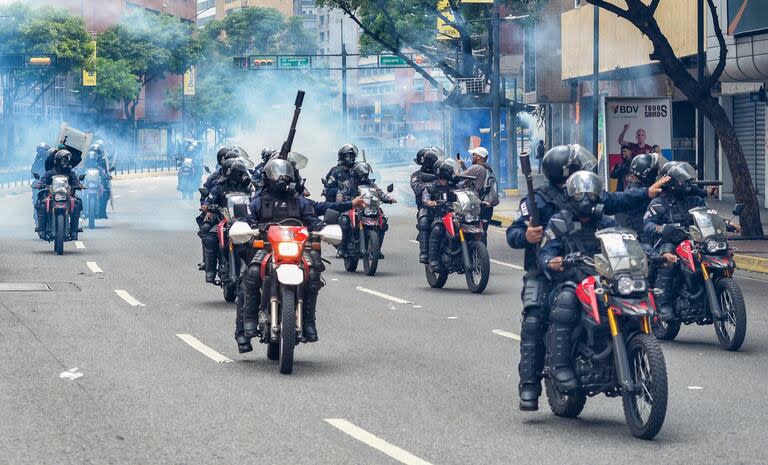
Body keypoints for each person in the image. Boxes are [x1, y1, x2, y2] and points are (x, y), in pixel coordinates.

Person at [505, 144, 668, 412]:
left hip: (591, 269)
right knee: (536, 318)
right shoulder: (541, 201)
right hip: (546, 270)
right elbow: (515, 233)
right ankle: (531, 384)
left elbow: (618, 206)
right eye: (577, 165)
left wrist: (646, 197)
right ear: (564, 172)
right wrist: (526, 236)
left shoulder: (590, 197)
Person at [538, 171, 618, 393]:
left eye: (591, 195)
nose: (586, 199)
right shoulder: (558, 222)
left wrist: (650, 253)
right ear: (570, 195)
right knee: (566, 299)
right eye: (581, 194)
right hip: (570, 281)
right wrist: (551, 261)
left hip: (604, 281)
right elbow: (546, 251)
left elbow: (627, 242)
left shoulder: (606, 222)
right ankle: (560, 365)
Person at [239, 158, 324, 352]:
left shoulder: (300, 201)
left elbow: (312, 220)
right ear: (268, 178)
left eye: (285, 174)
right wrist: (248, 228)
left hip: (297, 249)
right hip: (268, 248)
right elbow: (247, 219)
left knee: (312, 274)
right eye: (277, 174)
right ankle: (250, 319)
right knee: (252, 272)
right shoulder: (259, 202)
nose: (282, 178)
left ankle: (309, 321)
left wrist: (322, 229)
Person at [642, 162, 739, 322]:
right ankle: (664, 304)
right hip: (669, 241)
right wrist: (661, 229)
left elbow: (709, 215)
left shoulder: (695, 199)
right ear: (671, 182)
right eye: (682, 181)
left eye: (687, 180)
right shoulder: (659, 202)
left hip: (695, 238)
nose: (686, 184)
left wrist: (726, 224)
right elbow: (647, 224)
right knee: (669, 261)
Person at [200, 158, 253, 284]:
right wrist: (207, 206)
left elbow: (255, 197)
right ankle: (211, 271)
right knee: (210, 238)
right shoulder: (220, 186)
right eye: (239, 173)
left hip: (243, 220)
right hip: (225, 219)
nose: (241, 175)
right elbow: (210, 198)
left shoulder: (247, 186)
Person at [336, 161, 396, 258]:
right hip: (352, 207)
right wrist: (342, 200)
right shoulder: (348, 183)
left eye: (365, 174)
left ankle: (377, 249)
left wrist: (387, 198)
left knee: (383, 222)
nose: (364, 176)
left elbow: (379, 192)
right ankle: (341, 248)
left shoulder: (371, 183)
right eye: (362, 174)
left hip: (368, 207)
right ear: (355, 173)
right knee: (344, 221)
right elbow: (340, 194)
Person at [34, 150, 83, 241]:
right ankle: (42, 230)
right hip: (52, 195)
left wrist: (79, 185)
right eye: (63, 160)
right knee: (41, 205)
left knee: (77, 204)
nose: (65, 162)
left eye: (66, 160)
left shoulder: (70, 173)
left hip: (67, 195)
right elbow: (44, 179)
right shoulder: (51, 172)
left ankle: (74, 231)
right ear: (57, 161)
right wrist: (40, 184)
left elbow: (75, 180)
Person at [424, 158, 463, 272]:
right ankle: (434, 259)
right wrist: (430, 202)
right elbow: (425, 198)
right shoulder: (431, 187)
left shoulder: (456, 186)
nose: (454, 174)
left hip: (457, 216)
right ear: (445, 173)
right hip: (440, 216)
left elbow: (467, 193)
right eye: (452, 171)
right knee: (437, 230)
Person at [411, 147, 441, 263]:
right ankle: (424, 252)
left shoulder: (440, 173)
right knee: (423, 220)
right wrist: (433, 184)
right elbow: (417, 189)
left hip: (443, 205)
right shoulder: (416, 175)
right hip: (426, 206)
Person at [460, 147, 499, 237]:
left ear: (479, 157)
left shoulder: (476, 168)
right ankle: (482, 250)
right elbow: (470, 176)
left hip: (479, 206)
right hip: (488, 206)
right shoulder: (487, 168)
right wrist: (462, 164)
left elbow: (460, 177)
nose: (472, 157)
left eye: (474, 155)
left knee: (474, 233)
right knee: (482, 233)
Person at [83, 143, 112, 219]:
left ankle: (102, 211)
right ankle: (82, 211)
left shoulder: (99, 166)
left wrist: (106, 176)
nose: (91, 161)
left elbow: (103, 172)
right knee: (80, 194)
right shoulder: (84, 166)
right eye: (90, 160)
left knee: (105, 194)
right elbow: (80, 172)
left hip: (97, 183)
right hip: (87, 184)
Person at [31, 143, 50, 220]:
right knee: (36, 192)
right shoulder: (37, 159)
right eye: (39, 151)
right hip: (40, 180)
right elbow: (33, 170)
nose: (40, 152)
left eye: (42, 150)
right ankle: (37, 214)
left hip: (51, 180)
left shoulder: (51, 158)